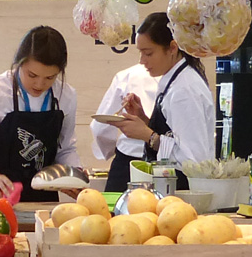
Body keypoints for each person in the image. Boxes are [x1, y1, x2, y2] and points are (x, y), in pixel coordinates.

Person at [0, 25, 79, 202]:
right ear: (19, 62)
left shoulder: (66, 95)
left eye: (50, 78)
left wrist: (75, 174)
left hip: (43, 201)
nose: (39, 84)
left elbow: (65, 149)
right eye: (32, 75)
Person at [109, 11, 215, 191]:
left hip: (183, 192)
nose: (142, 61)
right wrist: (144, 119)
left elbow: (193, 161)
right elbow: (174, 136)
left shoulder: (184, 90)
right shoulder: (175, 80)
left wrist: (147, 135)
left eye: (148, 53)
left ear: (173, 48)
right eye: (141, 53)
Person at [90, 60, 158, 194]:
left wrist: (109, 152)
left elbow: (101, 126)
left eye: (148, 53)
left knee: (116, 212)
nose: (144, 59)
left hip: (128, 161)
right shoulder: (184, 79)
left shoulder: (128, 75)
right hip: (167, 166)